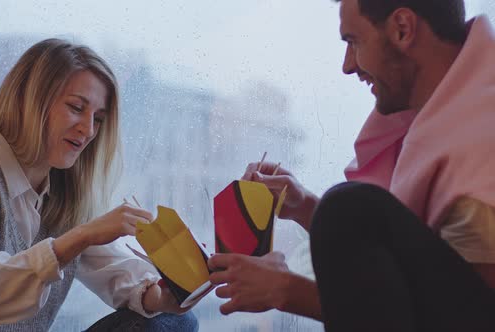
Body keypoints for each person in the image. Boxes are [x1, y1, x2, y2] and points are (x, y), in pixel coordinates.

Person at [208, 0, 495, 331]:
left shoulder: (479, 152)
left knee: (346, 208)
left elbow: (470, 318)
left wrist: (289, 290)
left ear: (403, 29)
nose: (347, 66)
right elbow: (428, 277)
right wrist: (305, 207)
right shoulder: (449, 110)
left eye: (353, 42)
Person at [0, 38, 197, 332]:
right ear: (29, 101)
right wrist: (82, 236)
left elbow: (117, 274)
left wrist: (162, 295)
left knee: (177, 320)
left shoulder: (62, 195)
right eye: (75, 107)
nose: (88, 129)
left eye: (98, 118)